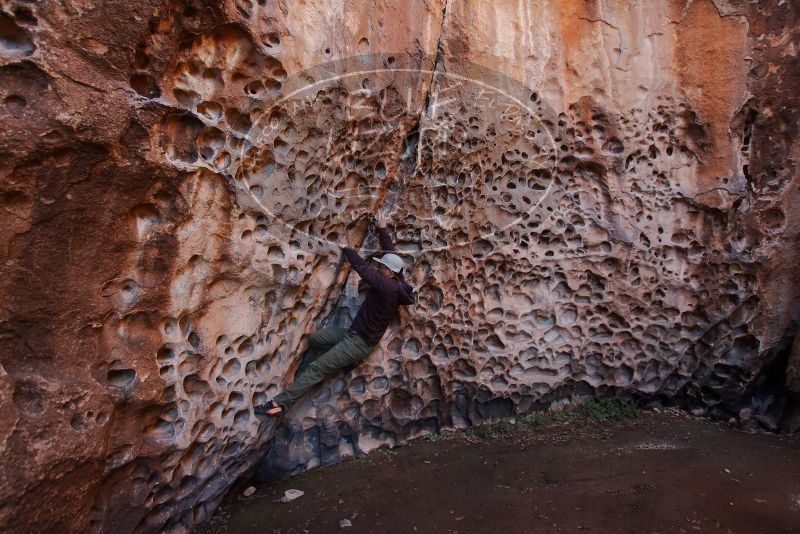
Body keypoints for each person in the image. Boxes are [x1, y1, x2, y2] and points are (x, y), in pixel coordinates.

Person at [255, 212, 415, 416]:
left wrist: (346, 246)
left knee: (317, 368)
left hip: (358, 344)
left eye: (382, 268)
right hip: (352, 335)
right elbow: (391, 254)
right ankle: (306, 375)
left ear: (390, 273)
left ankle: (279, 405)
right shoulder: (396, 281)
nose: (379, 268)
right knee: (315, 338)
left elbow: (363, 270)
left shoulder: (387, 287)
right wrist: (382, 228)